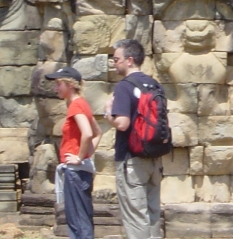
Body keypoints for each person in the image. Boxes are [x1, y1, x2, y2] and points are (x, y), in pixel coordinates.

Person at [105, 39, 162, 239]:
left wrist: (108, 114)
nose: (114, 63)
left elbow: (122, 123)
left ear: (129, 60)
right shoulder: (154, 84)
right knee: (153, 212)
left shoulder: (124, 86)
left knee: (135, 216)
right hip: (154, 158)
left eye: (116, 59)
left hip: (131, 160)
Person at [48, 66, 101, 239]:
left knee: (77, 220)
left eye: (58, 84)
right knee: (82, 217)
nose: (56, 88)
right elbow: (97, 132)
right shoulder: (82, 104)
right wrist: (87, 155)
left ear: (70, 84)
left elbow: (87, 133)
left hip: (75, 172)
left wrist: (79, 158)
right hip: (79, 171)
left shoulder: (75, 106)